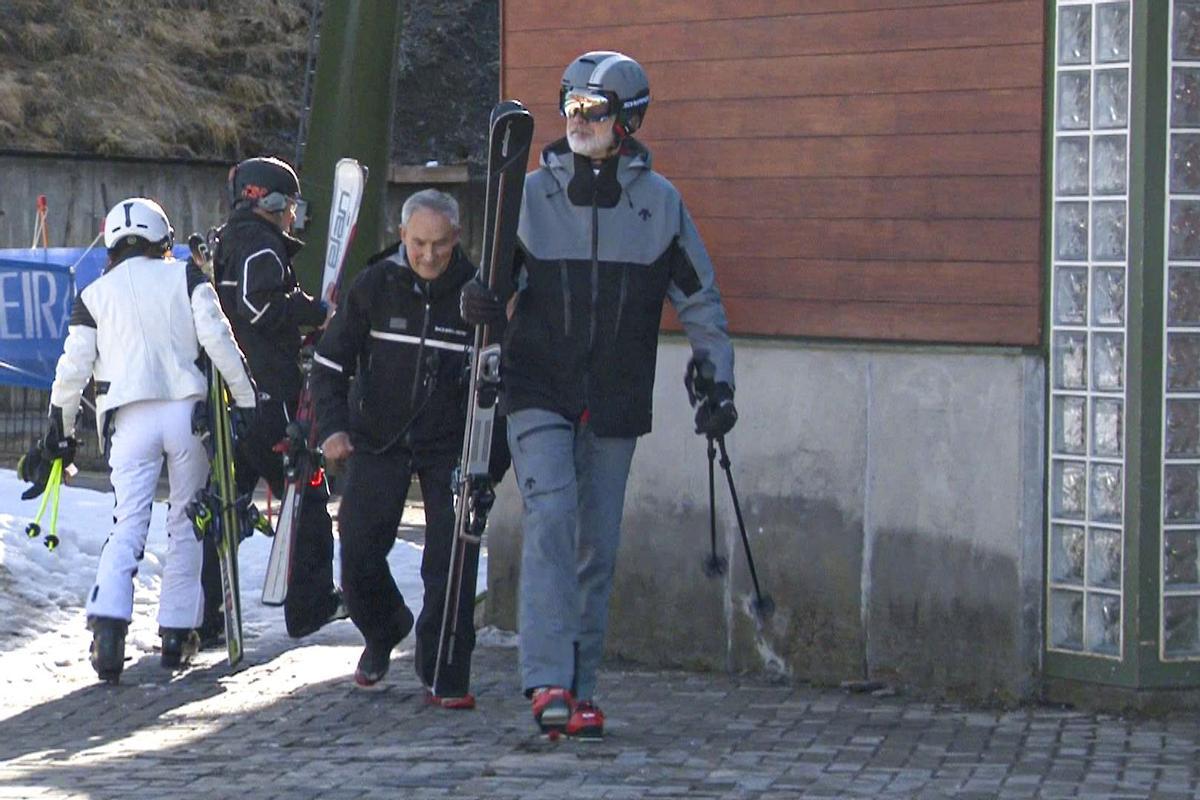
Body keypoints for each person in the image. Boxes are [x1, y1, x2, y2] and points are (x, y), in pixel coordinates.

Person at [460, 51, 738, 739]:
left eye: (593, 110)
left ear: (629, 121)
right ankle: (547, 681)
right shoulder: (529, 195)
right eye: (570, 106)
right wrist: (477, 300)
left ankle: (581, 690)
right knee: (553, 517)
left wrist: (717, 378)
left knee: (598, 547)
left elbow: (699, 298)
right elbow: (489, 282)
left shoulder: (660, 204)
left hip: (614, 396)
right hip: (537, 385)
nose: (576, 120)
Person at [21, 197, 258, 682]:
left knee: (127, 522)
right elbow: (219, 340)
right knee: (187, 521)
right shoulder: (187, 277)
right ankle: (177, 633)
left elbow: (71, 371)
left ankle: (108, 628)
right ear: (163, 239)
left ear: (111, 244)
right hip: (188, 414)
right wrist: (247, 400)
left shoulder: (94, 295)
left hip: (127, 420)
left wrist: (58, 431)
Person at [311, 189, 504, 704]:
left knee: (449, 559)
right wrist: (332, 428)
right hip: (379, 437)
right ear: (402, 236)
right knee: (357, 549)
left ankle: (441, 663)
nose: (429, 255)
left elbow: (501, 380)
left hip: (449, 446)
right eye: (418, 243)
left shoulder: (477, 296)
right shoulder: (375, 284)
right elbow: (328, 365)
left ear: (457, 238)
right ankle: (384, 627)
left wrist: (491, 458)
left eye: (440, 244)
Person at [201, 155, 344, 643]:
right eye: (290, 206)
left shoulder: (229, 242)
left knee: (226, 504)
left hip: (233, 396)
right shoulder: (260, 244)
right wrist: (315, 311)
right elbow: (257, 306)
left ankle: (203, 614)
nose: (293, 216)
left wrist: (299, 327)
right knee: (306, 494)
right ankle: (311, 605)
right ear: (271, 201)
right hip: (268, 396)